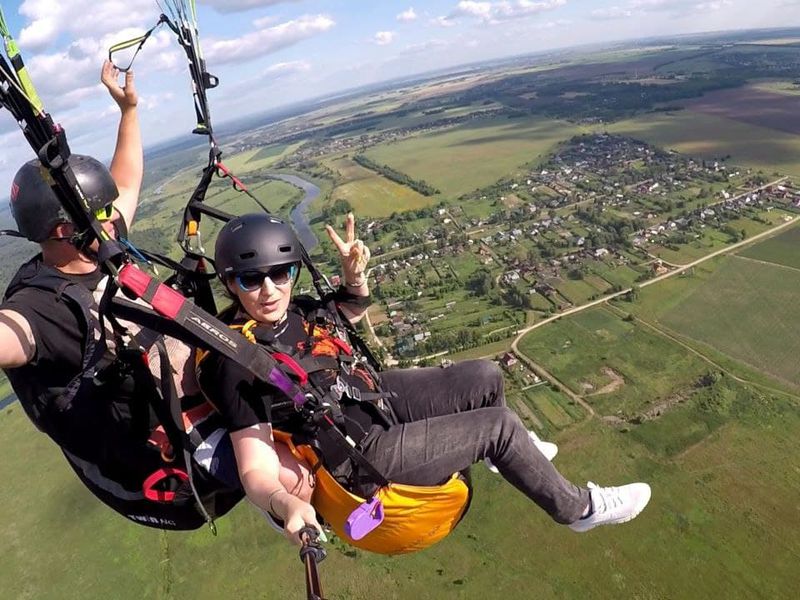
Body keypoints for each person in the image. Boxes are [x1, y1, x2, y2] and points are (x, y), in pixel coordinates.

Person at [199, 211, 652, 545]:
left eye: (282, 273)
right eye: (251, 280)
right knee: (497, 426)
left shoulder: (295, 310)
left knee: (485, 376)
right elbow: (255, 467)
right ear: (229, 282)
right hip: (359, 458)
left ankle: (515, 457)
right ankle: (578, 509)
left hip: (372, 397)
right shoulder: (237, 361)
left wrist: (354, 278)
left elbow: (348, 313)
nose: (270, 289)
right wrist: (288, 505)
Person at [0, 62, 251, 529]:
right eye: (103, 212)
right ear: (64, 229)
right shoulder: (39, 309)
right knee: (302, 455)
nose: (116, 217)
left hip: (205, 408)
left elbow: (127, 181)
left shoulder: (102, 247)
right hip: (176, 469)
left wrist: (128, 111)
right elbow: (8, 339)